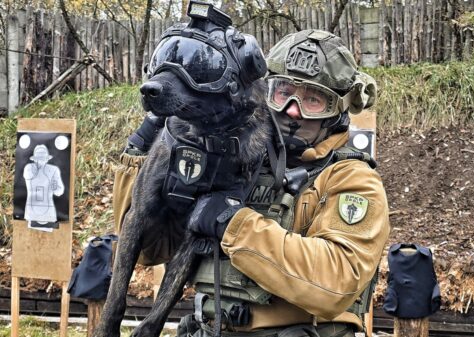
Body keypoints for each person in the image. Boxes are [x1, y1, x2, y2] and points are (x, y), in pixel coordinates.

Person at [114, 29, 389, 337]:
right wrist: (147, 172)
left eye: (313, 100)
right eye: (283, 92)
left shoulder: (352, 179)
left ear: (337, 108)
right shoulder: (239, 162)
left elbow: (336, 282)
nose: (293, 110)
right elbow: (150, 252)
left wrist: (235, 224)